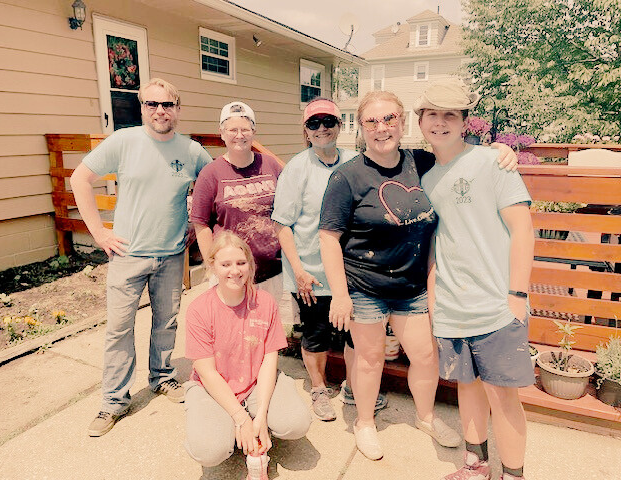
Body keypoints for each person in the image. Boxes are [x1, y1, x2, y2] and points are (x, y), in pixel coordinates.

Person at [318, 90, 518, 460]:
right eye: (372, 121)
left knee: (425, 356)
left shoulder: (421, 162)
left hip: (412, 285)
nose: (382, 128)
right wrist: (341, 294)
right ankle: (364, 422)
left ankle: (425, 416)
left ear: (402, 121)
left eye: (390, 119)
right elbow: (329, 238)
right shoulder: (346, 177)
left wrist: (498, 151)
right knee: (369, 357)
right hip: (365, 286)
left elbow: (459, 157)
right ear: (360, 127)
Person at [71, 78, 212, 437]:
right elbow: (80, 179)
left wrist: (198, 220)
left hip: (171, 255)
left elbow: (212, 187)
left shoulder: (192, 150)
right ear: (142, 108)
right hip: (128, 255)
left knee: (166, 323)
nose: (160, 111)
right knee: (119, 330)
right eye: (152, 104)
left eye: (167, 104)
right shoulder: (124, 142)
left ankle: (162, 378)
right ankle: (113, 402)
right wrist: (99, 233)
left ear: (178, 109)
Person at [418, 81, 534, 480]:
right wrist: (434, 300)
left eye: (450, 114)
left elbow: (523, 229)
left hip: (496, 304)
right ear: (420, 121)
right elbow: (436, 243)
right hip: (451, 306)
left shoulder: (492, 163)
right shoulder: (426, 179)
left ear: (466, 121)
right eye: (432, 113)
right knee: (466, 388)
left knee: (503, 398)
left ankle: (513, 475)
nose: (440, 122)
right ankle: (475, 466)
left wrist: (516, 295)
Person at [272, 97, 387, 422]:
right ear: (306, 131)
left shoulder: (357, 161)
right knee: (316, 334)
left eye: (329, 122)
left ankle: (353, 387)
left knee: (356, 333)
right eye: (314, 123)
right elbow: (282, 223)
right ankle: (319, 388)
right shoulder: (297, 167)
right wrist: (298, 269)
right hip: (311, 273)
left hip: (353, 271)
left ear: (340, 126)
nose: (322, 129)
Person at [183, 231, 311, 470]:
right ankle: (229, 425)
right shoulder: (199, 310)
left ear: (250, 265)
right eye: (226, 264)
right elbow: (207, 372)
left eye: (241, 263)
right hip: (212, 388)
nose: (235, 271)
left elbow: (269, 358)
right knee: (209, 451)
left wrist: (261, 415)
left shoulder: (264, 302)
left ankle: (255, 421)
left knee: (296, 423)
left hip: (254, 381)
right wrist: (240, 418)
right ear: (213, 266)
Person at [190, 101, 291, 322]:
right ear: (222, 133)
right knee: (233, 333)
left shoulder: (271, 165)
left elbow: (289, 210)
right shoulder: (211, 173)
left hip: (272, 270)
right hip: (231, 273)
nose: (239, 135)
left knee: (266, 330)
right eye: (232, 129)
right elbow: (201, 224)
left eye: (245, 129)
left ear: (253, 131)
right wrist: (213, 266)